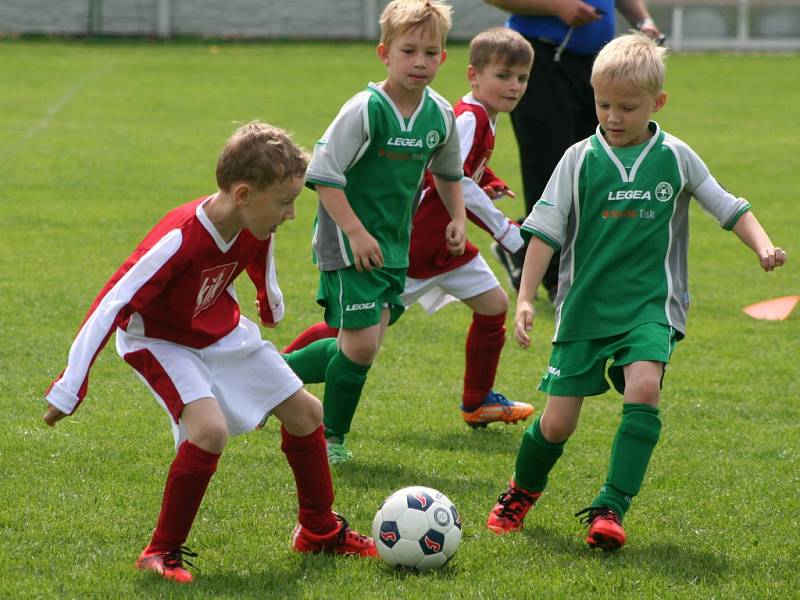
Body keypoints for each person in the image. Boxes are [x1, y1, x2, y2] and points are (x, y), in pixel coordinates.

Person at [485, 33, 787, 551]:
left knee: (644, 387)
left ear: (657, 103)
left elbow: (726, 204)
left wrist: (762, 245)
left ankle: (610, 507)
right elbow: (545, 234)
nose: (613, 116)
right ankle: (521, 491)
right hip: (582, 309)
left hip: (651, 306)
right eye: (604, 104)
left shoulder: (676, 156)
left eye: (627, 107)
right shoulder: (579, 160)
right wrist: (529, 297)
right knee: (557, 424)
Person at [42, 121, 377, 585]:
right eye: (285, 201)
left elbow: (260, 251)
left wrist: (268, 297)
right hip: (159, 340)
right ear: (243, 194)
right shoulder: (179, 237)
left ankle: (319, 530)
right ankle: (160, 551)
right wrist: (68, 389)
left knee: (306, 413)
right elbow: (112, 303)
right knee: (208, 430)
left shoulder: (253, 220)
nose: (291, 213)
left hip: (220, 330)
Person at [285, 27, 536, 430]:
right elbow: (446, 178)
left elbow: (454, 169)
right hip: (413, 243)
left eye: (521, 78)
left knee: (489, 306)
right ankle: (284, 383)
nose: (514, 86)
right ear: (473, 76)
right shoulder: (462, 116)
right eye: (503, 76)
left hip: (434, 243)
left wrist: (483, 185)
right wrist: (503, 230)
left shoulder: (462, 115)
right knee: (356, 337)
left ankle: (477, 400)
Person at [289, 0, 467, 465]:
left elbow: (448, 173)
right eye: (409, 51)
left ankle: (269, 375)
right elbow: (323, 175)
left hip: (393, 245)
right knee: (362, 346)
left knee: (357, 344)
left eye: (431, 53)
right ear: (384, 53)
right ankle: (330, 438)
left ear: (443, 58)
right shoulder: (365, 109)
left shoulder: (440, 115)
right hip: (347, 243)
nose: (420, 62)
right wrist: (355, 232)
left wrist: (458, 217)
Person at [484, 0, 663, 300]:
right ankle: (557, 280)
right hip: (541, 59)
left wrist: (643, 20)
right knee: (552, 170)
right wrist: (557, 7)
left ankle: (521, 244)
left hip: (595, 64)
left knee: (598, 170)